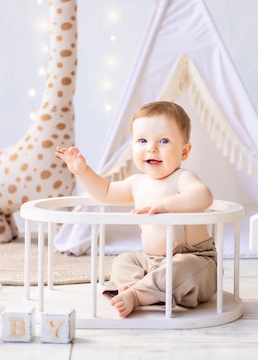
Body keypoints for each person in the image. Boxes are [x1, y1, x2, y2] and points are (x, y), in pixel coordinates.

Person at [54, 101, 216, 318]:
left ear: (184, 151)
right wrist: (82, 171)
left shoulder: (182, 178)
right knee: (125, 260)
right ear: (132, 146)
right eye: (142, 140)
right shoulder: (136, 183)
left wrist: (165, 205)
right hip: (152, 261)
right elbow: (105, 192)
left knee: (183, 268)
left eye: (164, 141)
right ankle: (132, 288)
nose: (152, 148)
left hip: (195, 259)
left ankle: (139, 295)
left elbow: (203, 196)